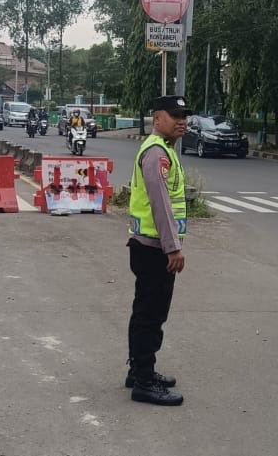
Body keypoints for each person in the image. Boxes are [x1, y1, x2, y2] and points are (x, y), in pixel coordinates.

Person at [126, 95, 192, 406]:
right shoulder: (156, 153)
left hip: (149, 244)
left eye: (184, 116)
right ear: (157, 119)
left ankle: (138, 371)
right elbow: (161, 204)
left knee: (145, 311)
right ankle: (143, 381)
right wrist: (173, 247)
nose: (182, 121)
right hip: (155, 248)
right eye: (175, 115)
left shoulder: (162, 149)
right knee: (151, 316)